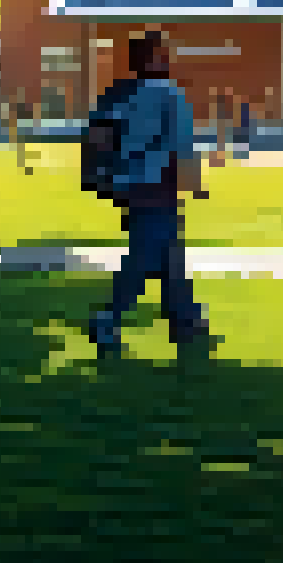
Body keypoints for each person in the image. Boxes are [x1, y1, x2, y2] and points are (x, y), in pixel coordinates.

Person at [85, 30, 216, 359]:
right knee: (145, 255)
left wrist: (101, 176)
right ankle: (109, 318)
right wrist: (196, 185)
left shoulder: (116, 93)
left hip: (124, 183)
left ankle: (185, 322)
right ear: (155, 58)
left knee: (170, 252)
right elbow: (181, 145)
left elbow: (96, 138)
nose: (168, 59)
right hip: (157, 185)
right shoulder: (170, 94)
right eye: (163, 54)